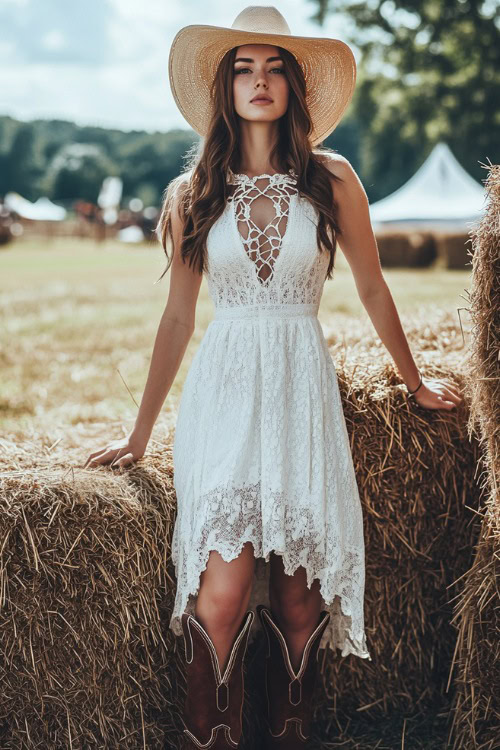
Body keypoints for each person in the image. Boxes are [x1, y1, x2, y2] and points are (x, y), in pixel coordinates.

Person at [84, 6, 463, 748]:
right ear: (224, 89)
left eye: (274, 67)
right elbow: (176, 320)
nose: (259, 82)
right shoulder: (194, 190)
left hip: (300, 391)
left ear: (293, 85)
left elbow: (375, 288)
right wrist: (138, 434)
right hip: (224, 393)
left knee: (297, 601)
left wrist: (414, 382)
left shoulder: (332, 178)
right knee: (221, 592)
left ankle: (289, 733)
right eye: (243, 70)